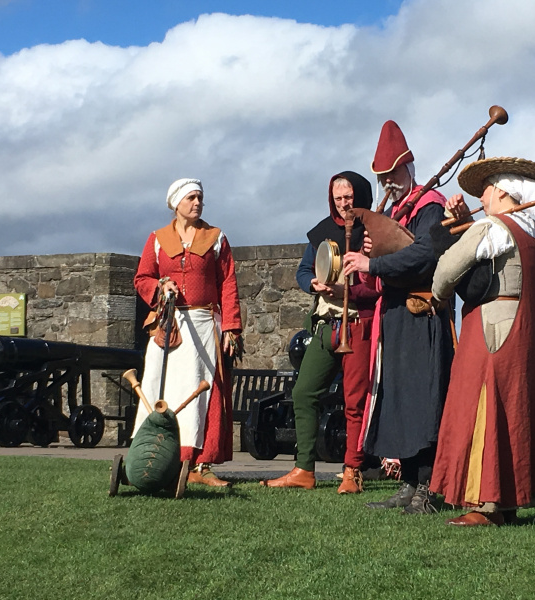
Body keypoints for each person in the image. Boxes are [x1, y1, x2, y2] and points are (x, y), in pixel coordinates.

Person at [429, 156, 535, 526]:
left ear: (503, 191)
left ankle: (486, 504)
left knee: (485, 408)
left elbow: (447, 269)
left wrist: (438, 297)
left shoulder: (495, 227)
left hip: (492, 331)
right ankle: (506, 503)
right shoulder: (530, 230)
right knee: (514, 410)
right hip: (523, 332)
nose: (483, 195)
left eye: (487, 188)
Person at [343, 121, 455, 514]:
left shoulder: (430, 206)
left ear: (409, 167)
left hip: (422, 312)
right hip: (393, 313)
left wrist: (372, 264)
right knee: (400, 399)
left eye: (394, 173)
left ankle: (428, 488)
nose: (389, 181)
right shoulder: (393, 211)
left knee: (424, 399)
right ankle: (408, 485)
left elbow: (426, 255)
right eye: (383, 176)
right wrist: (370, 256)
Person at [260, 171, 378, 493]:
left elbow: (382, 285)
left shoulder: (376, 231)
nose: (343, 204)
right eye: (338, 199)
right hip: (326, 326)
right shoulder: (322, 233)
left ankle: (353, 471)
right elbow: (302, 270)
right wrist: (312, 283)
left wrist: (348, 290)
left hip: (358, 325)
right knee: (303, 392)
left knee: (355, 401)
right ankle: (303, 469)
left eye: (349, 198)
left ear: (360, 197)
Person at [133, 178, 243, 487]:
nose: (197, 203)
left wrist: (231, 327)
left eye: (200, 198)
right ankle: (154, 456)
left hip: (204, 322)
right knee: (159, 385)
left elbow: (229, 283)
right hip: (167, 324)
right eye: (191, 198)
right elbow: (142, 278)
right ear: (176, 202)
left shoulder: (215, 238)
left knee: (202, 390)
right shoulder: (157, 239)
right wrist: (159, 286)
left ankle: (201, 464)